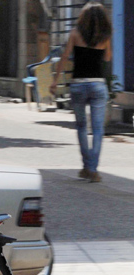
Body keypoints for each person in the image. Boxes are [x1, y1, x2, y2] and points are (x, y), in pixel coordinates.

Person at [49, 1, 112, 183]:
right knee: (98, 129)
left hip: (78, 85)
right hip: (98, 85)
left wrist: (55, 81)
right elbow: (107, 58)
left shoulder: (75, 33)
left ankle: (86, 166)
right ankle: (92, 169)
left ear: (83, 17)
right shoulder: (105, 36)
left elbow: (64, 57)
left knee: (82, 127)